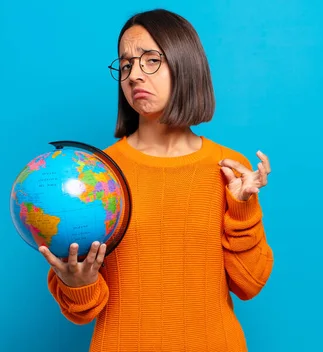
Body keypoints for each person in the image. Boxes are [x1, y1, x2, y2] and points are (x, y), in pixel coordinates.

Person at [38, 8, 274, 352]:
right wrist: (78, 282)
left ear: (184, 64)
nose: (134, 75)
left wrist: (242, 209)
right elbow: (82, 311)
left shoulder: (228, 168)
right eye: (126, 64)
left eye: (150, 60)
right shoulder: (96, 174)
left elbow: (249, 283)